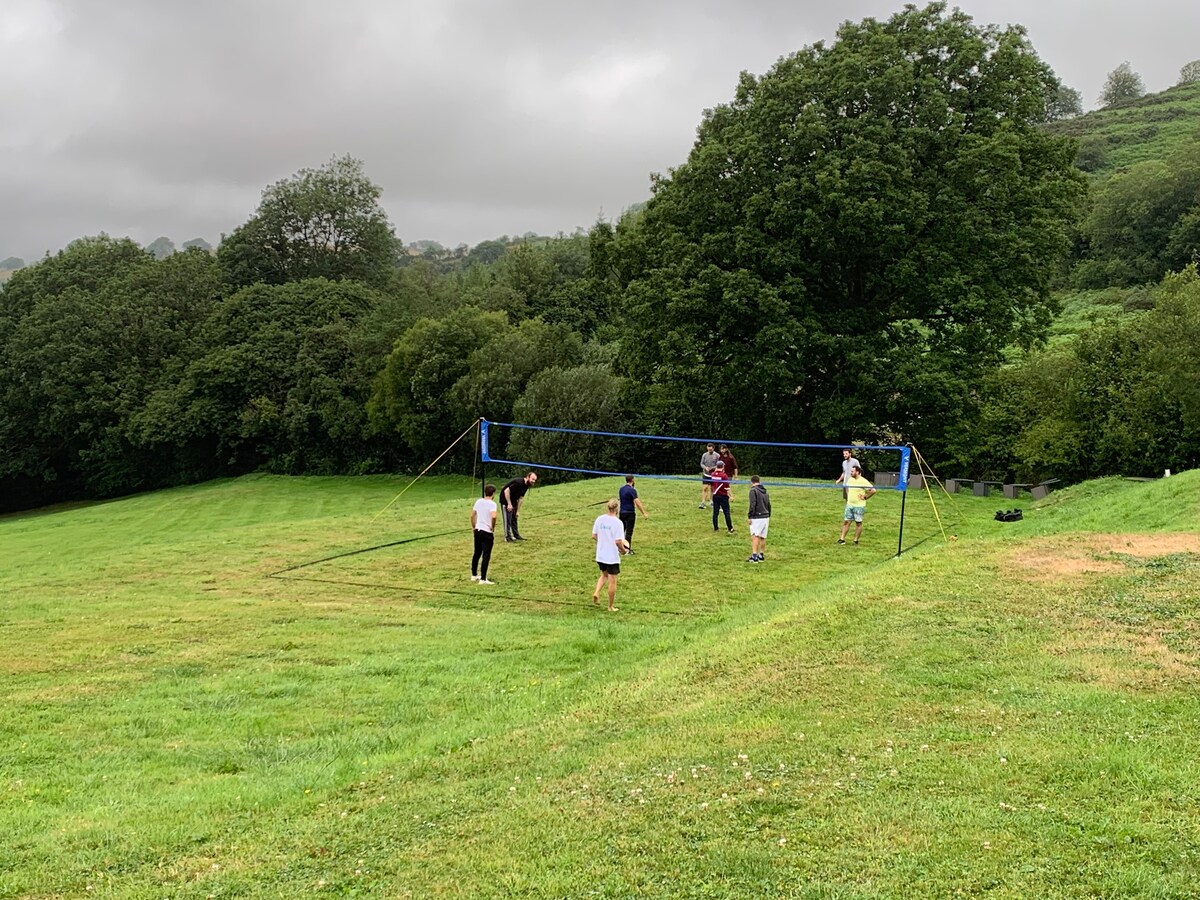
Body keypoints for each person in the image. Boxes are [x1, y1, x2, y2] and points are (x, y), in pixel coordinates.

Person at [591, 498, 630, 611]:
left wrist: (603, 541)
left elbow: (594, 535)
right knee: (612, 580)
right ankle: (610, 606)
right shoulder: (618, 523)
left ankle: (596, 592)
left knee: (604, 575)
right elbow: (618, 541)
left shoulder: (600, 519)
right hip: (611, 557)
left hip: (600, 554)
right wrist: (623, 551)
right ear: (617, 508)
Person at [839, 465, 876, 545]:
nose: (851, 473)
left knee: (858, 523)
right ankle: (842, 539)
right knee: (846, 522)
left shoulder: (863, 481)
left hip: (859, 506)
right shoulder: (850, 479)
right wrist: (849, 496)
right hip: (850, 505)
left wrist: (865, 497)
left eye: (852, 471)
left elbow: (873, 490)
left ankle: (855, 540)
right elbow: (847, 487)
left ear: (857, 472)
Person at [470, 484, 498, 584]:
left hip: (478, 530)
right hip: (486, 531)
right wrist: (492, 527)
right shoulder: (492, 504)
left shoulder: (479, 501)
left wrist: (474, 527)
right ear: (493, 493)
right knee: (486, 555)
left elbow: (472, 515)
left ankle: (473, 575)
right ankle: (483, 578)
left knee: (476, 553)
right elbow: (493, 516)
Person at [500, 472, 538, 542]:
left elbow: (521, 498)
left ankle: (516, 535)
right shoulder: (518, 482)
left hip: (514, 500)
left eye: (535, 480)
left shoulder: (526, 485)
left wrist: (517, 511)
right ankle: (507, 537)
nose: (533, 481)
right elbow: (506, 491)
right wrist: (509, 504)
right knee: (508, 519)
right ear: (528, 477)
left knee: (514, 518)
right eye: (532, 479)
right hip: (505, 500)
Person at [618, 475, 648, 553]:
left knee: (621, 531)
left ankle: (619, 548)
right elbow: (637, 502)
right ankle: (627, 549)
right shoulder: (632, 490)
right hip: (630, 513)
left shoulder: (621, 489)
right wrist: (643, 512)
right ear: (632, 480)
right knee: (628, 532)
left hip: (622, 513)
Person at [746, 475, 771, 562]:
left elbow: (753, 504)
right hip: (766, 516)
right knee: (763, 536)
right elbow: (769, 505)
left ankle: (754, 555)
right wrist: (768, 514)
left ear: (751, 482)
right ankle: (761, 555)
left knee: (755, 536)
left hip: (757, 516)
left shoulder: (753, 491)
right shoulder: (765, 491)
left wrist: (750, 516)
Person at [710, 460, 734, 533]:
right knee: (726, 512)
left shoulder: (713, 474)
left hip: (715, 495)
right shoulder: (724, 475)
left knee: (715, 512)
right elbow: (727, 488)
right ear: (723, 466)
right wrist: (731, 496)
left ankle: (716, 527)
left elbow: (712, 485)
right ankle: (730, 528)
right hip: (723, 496)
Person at [699, 443, 721, 509]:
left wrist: (712, 468)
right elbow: (701, 463)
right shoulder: (704, 455)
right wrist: (705, 467)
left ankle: (712, 502)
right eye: (708, 449)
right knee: (705, 488)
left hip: (714, 475)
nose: (709, 450)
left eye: (711, 449)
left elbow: (719, 464)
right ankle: (703, 502)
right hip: (706, 474)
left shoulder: (717, 455)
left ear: (713, 448)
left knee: (712, 489)